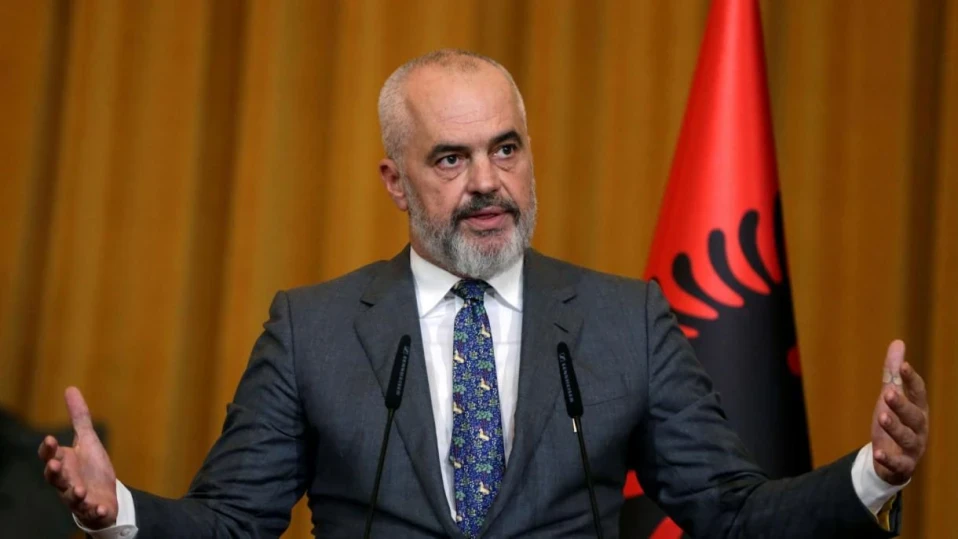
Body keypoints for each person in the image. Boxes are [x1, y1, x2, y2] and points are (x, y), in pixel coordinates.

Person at [39, 49, 928, 538]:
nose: (487, 182)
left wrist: (875, 473)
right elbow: (233, 522)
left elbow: (731, 514)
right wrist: (119, 512)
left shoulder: (627, 322)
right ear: (395, 180)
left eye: (506, 148)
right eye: (450, 158)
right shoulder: (312, 330)